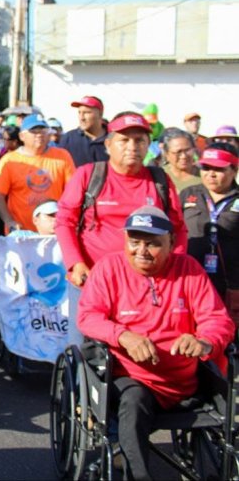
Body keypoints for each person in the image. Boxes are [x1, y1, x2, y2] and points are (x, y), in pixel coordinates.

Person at [76, 205, 235, 481]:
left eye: (152, 244)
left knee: (228, 399)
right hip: (134, 378)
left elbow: (217, 319)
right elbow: (88, 317)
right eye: (134, 242)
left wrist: (204, 341)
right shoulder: (109, 268)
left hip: (185, 381)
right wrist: (123, 335)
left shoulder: (189, 269)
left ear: (171, 243)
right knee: (133, 403)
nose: (141, 250)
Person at [56, 111, 188, 288]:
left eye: (139, 140)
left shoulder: (160, 181)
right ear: (108, 145)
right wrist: (76, 264)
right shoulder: (88, 175)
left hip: (148, 283)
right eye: (124, 140)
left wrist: (174, 266)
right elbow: (65, 222)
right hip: (95, 280)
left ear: (148, 145)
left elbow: (178, 229)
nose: (132, 147)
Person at [0, 114, 75, 234]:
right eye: (34, 131)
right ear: (22, 136)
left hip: (55, 232)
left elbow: (73, 192)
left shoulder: (62, 156)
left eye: (43, 130)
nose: (39, 135)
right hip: (21, 233)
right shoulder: (9, 161)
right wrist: (8, 221)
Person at [180, 143, 239, 299]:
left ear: (234, 170)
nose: (210, 174)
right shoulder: (188, 194)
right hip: (191, 278)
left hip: (230, 284)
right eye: (205, 168)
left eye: (219, 169)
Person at [58, 95, 108, 166]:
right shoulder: (68, 139)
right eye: (79, 112)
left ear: (100, 114)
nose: (81, 118)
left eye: (87, 112)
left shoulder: (114, 139)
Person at [160, 127, 202, 193]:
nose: (184, 156)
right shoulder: (159, 176)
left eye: (188, 150)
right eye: (178, 152)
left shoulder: (204, 177)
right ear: (166, 154)